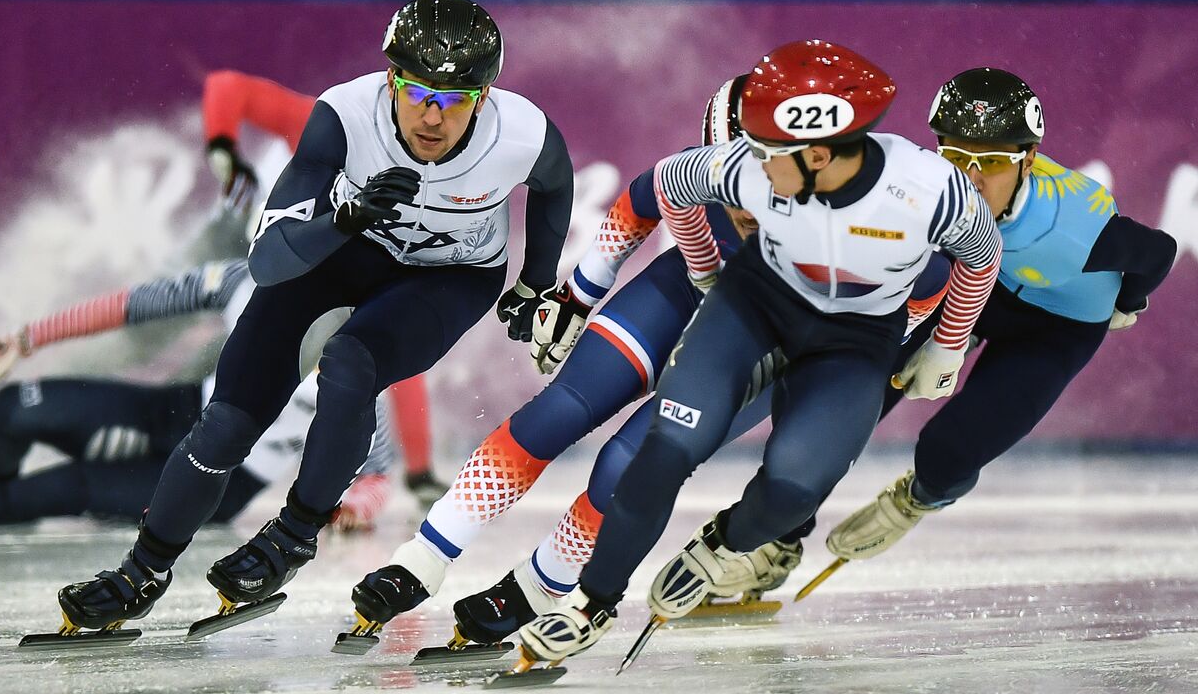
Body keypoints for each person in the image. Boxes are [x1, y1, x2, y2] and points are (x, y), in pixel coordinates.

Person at [343, 75, 947, 647]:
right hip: (688, 290)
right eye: (732, 188)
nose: (745, 206)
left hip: (773, 336)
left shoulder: (877, 210)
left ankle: (536, 587)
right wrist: (578, 295)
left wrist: (907, 343)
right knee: (557, 412)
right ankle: (424, 557)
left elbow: (943, 272)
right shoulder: (711, 170)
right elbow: (641, 201)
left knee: (626, 466)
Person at [48, 0, 574, 638]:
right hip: (342, 253)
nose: (433, 116)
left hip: (449, 276)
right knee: (224, 424)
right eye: (419, 94)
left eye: (455, 98)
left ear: (484, 99)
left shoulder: (521, 132)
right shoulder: (345, 117)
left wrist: (537, 282)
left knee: (350, 364)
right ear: (390, 82)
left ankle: (293, 536)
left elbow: (554, 185)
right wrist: (345, 217)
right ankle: (141, 573)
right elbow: (269, 265)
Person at [511, 40, 1004, 669]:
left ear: (821, 154)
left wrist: (946, 344)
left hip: (853, 343)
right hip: (750, 311)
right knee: (663, 452)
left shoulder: (929, 190)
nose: (753, 169)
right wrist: (705, 269)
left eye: (771, 155)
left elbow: (980, 258)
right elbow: (668, 185)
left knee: (795, 489)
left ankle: (726, 543)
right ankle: (592, 601)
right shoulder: (750, 170)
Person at [810, 67, 1177, 569]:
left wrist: (1125, 303)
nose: (971, 178)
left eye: (992, 163)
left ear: (1027, 159)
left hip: (1058, 329)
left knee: (948, 451)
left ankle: (922, 496)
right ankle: (779, 533)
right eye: (957, 158)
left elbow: (1158, 252)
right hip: (978, 294)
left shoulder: (1070, 229)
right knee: (854, 395)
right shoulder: (924, 187)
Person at [0, 259, 394, 529]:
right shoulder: (251, 276)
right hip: (182, 410)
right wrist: (22, 340)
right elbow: (130, 305)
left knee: (63, 489)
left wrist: (354, 508)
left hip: (227, 478)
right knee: (8, 410)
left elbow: (376, 473)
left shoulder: (373, 349)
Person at [196, 69, 449, 507]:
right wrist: (223, 149)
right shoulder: (329, 122)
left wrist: (419, 469)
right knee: (161, 315)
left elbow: (405, 364)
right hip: (243, 243)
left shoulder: (410, 188)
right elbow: (226, 85)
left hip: (294, 268)